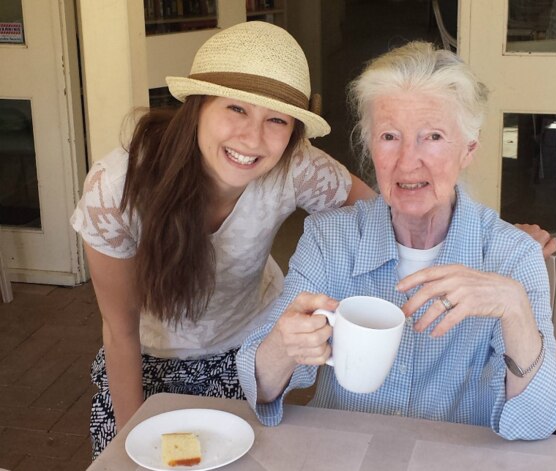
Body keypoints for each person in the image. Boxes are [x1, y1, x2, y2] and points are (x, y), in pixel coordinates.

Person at [70, 21, 378, 458]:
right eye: (236, 109)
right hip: (148, 359)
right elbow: (120, 332)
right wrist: (129, 442)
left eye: (276, 119)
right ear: (197, 106)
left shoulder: (296, 167)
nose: (252, 139)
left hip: (249, 352)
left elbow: (376, 218)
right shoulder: (115, 189)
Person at [236, 40, 556, 440]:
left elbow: (539, 421)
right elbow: (258, 386)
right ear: (369, 146)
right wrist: (284, 345)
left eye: (432, 136)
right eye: (390, 136)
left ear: (469, 149)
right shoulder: (331, 239)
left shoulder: (511, 256)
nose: (408, 161)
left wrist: (515, 311)